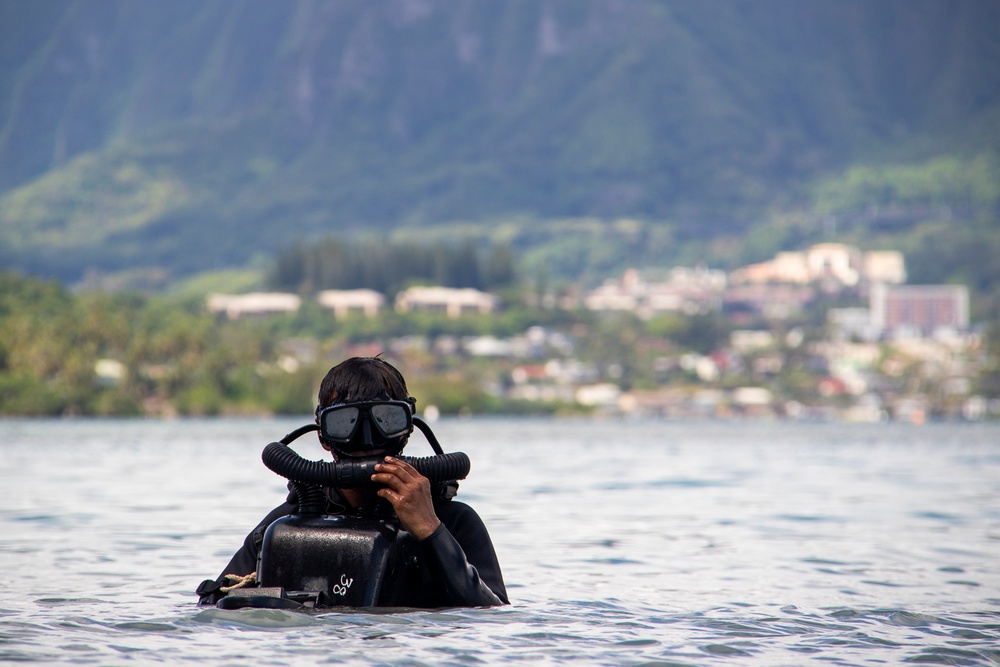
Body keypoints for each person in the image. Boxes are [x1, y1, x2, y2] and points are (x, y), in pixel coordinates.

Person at [197, 356, 508, 608]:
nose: (367, 438)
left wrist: (430, 530)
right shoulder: (291, 521)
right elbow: (214, 602)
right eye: (346, 423)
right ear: (323, 436)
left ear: (407, 429)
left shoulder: (452, 521)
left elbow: (490, 613)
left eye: (385, 420)